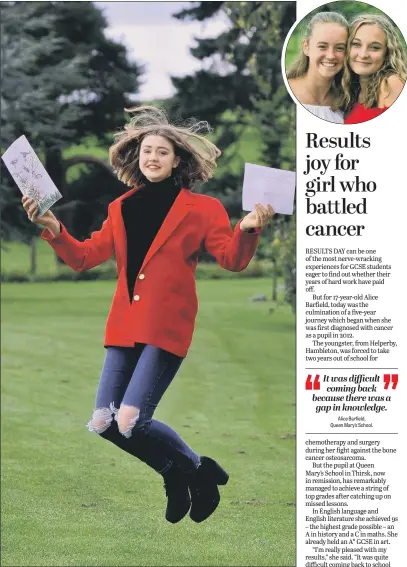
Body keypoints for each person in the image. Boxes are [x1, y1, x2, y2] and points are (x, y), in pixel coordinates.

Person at [22, 106, 275, 524]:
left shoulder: (203, 208)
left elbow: (231, 260)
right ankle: (185, 472)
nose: (152, 158)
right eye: (145, 151)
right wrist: (52, 227)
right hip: (123, 326)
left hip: (166, 326)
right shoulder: (121, 207)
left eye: (161, 151)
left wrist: (247, 228)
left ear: (177, 159)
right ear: (136, 158)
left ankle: (193, 472)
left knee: (131, 420)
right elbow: (85, 257)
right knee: (104, 421)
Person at [341, 13, 407, 124]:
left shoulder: (391, 83)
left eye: (374, 47)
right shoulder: (351, 89)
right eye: (356, 44)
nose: (363, 54)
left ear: (387, 52)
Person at [286, 11, 348, 124]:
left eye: (339, 48)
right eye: (322, 46)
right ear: (306, 47)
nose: (330, 56)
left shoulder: (346, 101)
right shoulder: (285, 93)